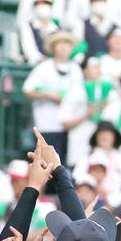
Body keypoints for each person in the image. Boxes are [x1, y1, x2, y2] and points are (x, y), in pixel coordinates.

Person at [22, 31, 87, 164]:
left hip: (71, 126)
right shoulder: (43, 68)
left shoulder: (75, 69)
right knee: (48, 165)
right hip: (47, 125)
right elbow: (28, 89)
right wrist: (48, 95)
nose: (64, 47)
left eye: (67, 44)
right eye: (60, 43)